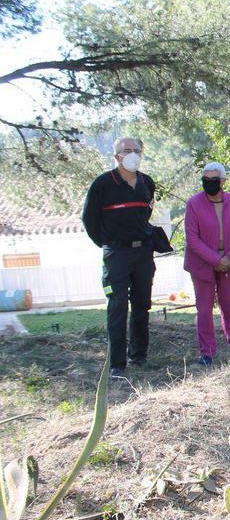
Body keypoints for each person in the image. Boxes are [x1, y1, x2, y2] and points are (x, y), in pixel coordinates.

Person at [82, 137, 157, 375]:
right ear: (117, 156)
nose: (133, 154)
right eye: (127, 150)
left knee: (142, 305)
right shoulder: (102, 184)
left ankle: (139, 356)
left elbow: (145, 215)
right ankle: (117, 364)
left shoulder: (147, 182)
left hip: (143, 253)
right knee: (117, 307)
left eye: (137, 150)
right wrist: (109, 244)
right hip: (116, 255)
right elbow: (89, 220)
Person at [183, 162, 230, 365]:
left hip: (228, 263)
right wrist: (215, 260)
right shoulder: (193, 203)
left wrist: (229, 258)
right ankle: (207, 353)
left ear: (223, 181)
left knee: (229, 306)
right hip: (202, 264)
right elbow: (192, 238)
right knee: (204, 310)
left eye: (214, 179)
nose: (209, 182)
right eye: (206, 179)